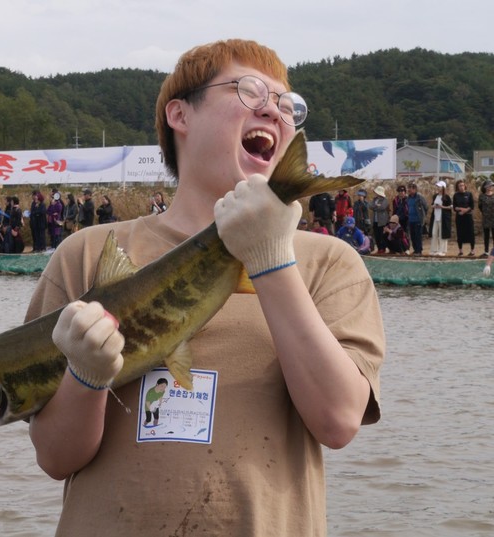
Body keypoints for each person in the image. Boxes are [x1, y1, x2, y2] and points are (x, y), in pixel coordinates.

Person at [26, 39, 384, 536]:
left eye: (287, 105)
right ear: (180, 114)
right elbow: (55, 457)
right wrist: (87, 376)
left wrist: (270, 259)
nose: (274, 111)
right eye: (250, 90)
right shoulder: (87, 254)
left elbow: (338, 421)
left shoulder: (329, 263)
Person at [429, 180, 452, 256]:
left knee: (442, 234)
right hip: (436, 217)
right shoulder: (435, 196)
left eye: (439, 186)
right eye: (437, 186)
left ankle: (442, 250)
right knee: (434, 233)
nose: (437, 188)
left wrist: (442, 207)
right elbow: (432, 204)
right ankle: (434, 249)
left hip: (443, 218)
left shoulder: (447, 197)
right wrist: (434, 206)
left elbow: (451, 206)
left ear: (443, 188)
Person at [452, 179, 475, 256]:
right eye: (459, 186)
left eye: (462, 185)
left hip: (468, 216)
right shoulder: (455, 195)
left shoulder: (469, 194)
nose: (461, 187)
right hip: (459, 217)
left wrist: (465, 210)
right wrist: (459, 209)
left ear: (465, 186)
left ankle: (472, 251)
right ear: (457, 187)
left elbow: (472, 206)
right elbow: (454, 207)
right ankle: (460, 251)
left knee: (471, 233)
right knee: (460, 233)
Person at [405, 182, 428, 256]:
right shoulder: (408, 198)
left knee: (418, 236)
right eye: (408, 188)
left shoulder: (419, 197)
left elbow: (426, 207)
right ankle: (415, 250)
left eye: (410, 188)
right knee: (413, 236)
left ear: (414, 189)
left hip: (418, 219)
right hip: (411, 220)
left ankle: (419, 250)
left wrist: (423, 216)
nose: (409, 190)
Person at [370, 186, 390, 254]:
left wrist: (375, 207)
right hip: (375, 220)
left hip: (382, 221)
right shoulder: (374, 199)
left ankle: (383, 248)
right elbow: (370, 206)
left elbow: (382, 207)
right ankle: (379, 248)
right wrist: (376, 206)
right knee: (376, 235)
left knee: (382, 235)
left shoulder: (385, 200)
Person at [477, 180, 494, 257]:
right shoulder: (482, 196)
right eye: (490, 185)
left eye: (492, 185)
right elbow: (480, 206)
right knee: (486, 235)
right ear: (486, 187)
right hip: (486, 218)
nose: (491, 187)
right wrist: (485, 213)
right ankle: (486, 251)